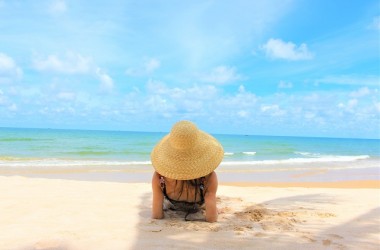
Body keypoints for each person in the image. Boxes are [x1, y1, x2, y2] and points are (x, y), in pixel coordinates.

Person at [151, 120, 224, 223]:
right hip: (198, 206)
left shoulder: (160, 177)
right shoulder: (208, 177)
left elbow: (156, 215)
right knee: (211, 201)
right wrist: (213, 210)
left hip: (173, 205)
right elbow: (212, 219)